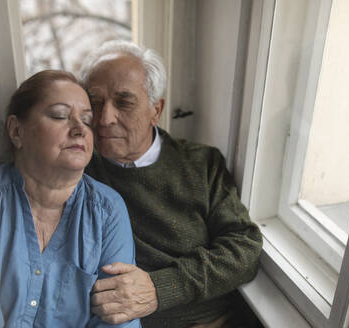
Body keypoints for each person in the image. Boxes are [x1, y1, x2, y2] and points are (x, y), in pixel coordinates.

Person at [81, 40, 263, 327]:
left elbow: (244, 249)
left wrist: (160, 288)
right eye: (95, 102)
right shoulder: (76, 168)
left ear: (156, 110)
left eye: (124, 102)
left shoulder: (201, 164)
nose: (105, 118)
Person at [0, 70, 140, 327]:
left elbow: (118, 318)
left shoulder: (108, 209)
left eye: (87, 120)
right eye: (60, 115)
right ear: (17, 131)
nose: (80, 129)